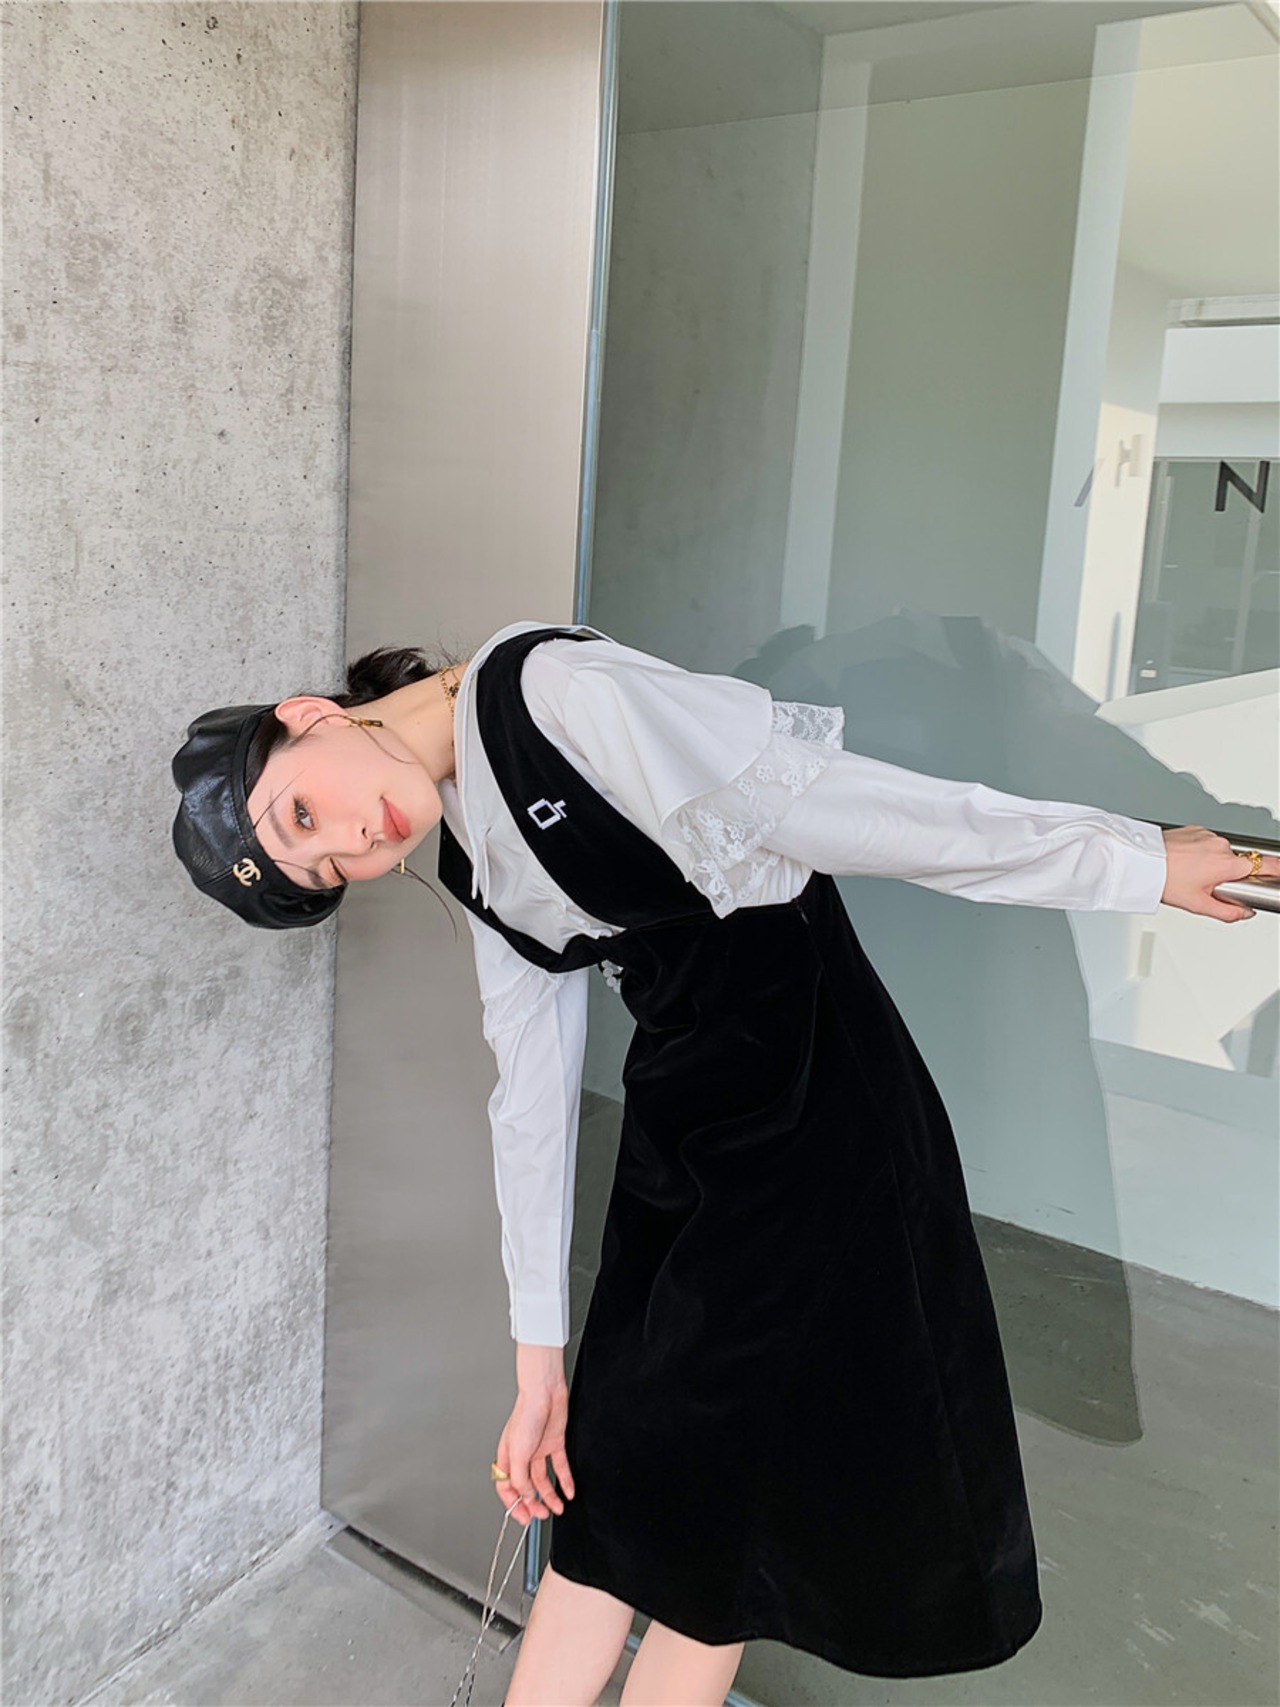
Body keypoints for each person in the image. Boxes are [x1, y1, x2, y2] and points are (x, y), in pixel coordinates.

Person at [171, 617, 1274, 1707]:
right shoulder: (475, 854)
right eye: (328, 866)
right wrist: (537, 1365)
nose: (353, 844)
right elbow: (531, 1094)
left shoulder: (557, 695)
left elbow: (864, 813)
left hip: (816, 1116)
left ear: (308, 718)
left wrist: (1131, 861)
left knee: (704, 1523)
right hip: (683, 1133)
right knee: (620, 1489)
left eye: (305, 812)